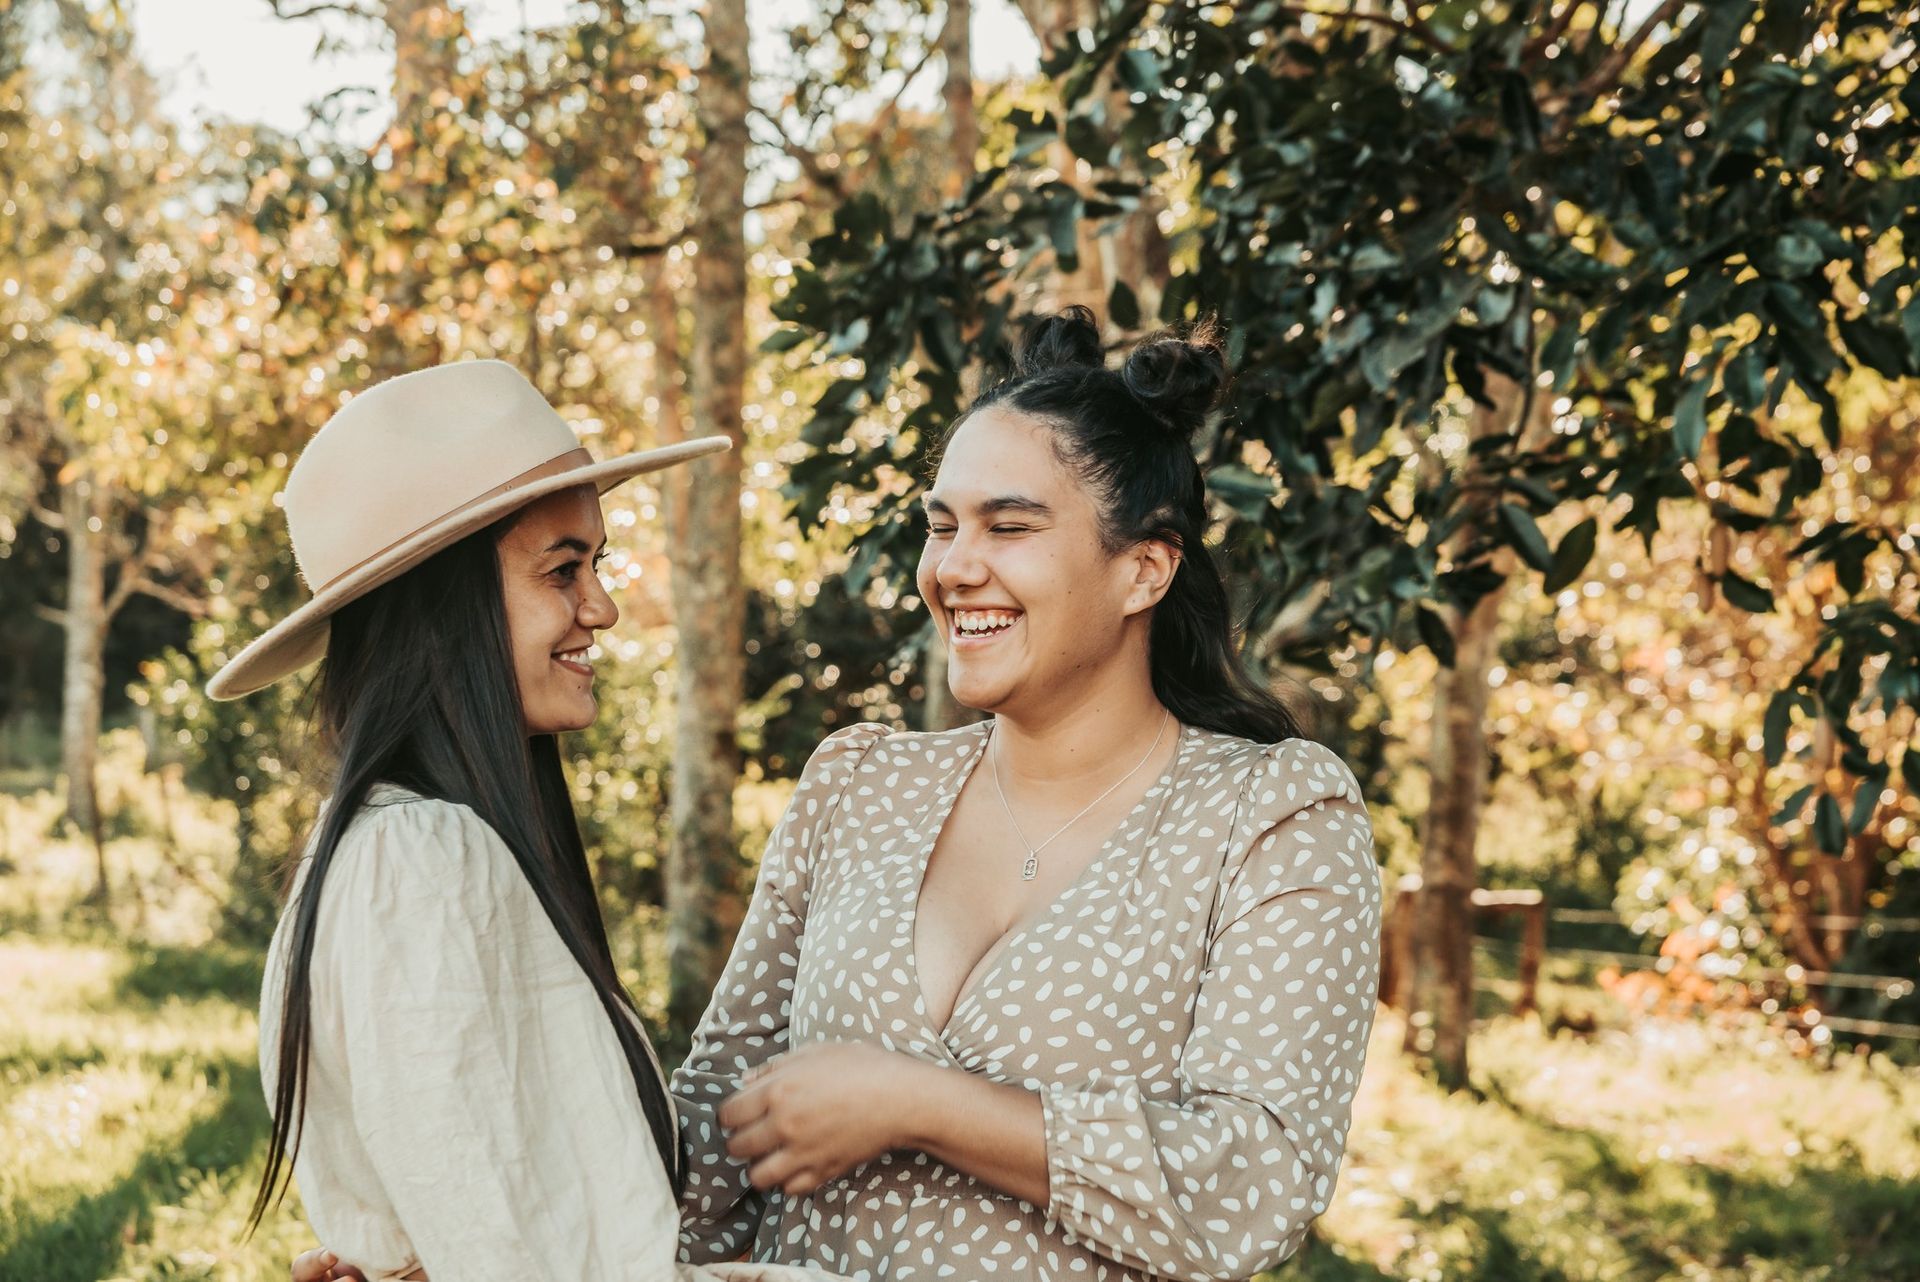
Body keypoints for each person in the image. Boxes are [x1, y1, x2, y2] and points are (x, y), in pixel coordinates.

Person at [672, 307, 1384, 1281]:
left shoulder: (1272, 814)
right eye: (942, 526)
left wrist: (915, 1102)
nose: (955, 567)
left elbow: (1252, 1181)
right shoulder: (858, 782)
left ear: (1143, 568)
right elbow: (712, 1123)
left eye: (1008, 526)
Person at [220, 360, 841, 1282]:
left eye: (596, 564)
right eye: (563, 569)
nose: (603, 606)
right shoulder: (424, 862)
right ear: (443, 608)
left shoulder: (386, 849)